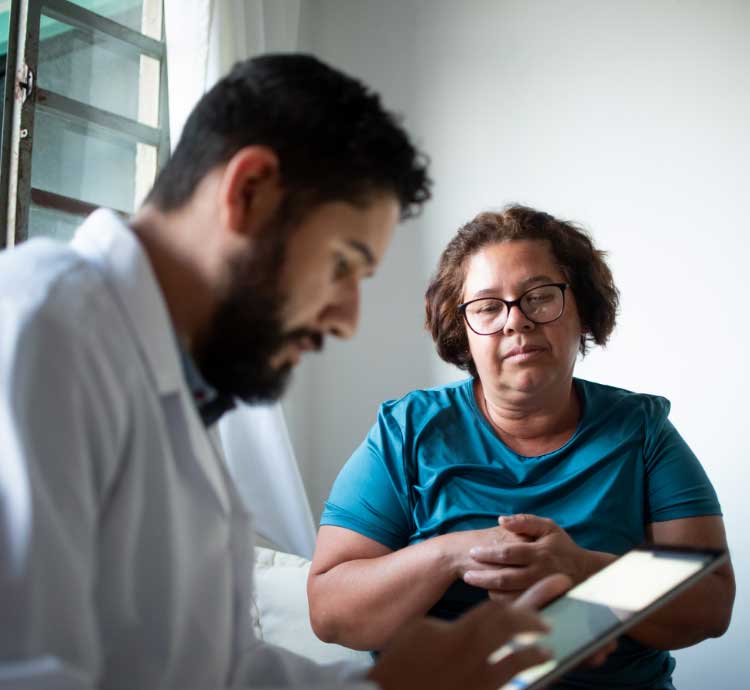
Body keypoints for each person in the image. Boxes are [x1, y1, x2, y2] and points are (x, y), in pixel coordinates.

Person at [0, 56, 566, 690]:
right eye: (342, 265)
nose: (347, 319)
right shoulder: (37, 331)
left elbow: (218, 674)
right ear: (249, 192)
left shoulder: (177, 394)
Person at [309, 205, 736, 690]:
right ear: (462, 332)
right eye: (488, 306)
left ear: (582, 312)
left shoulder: (641, 432)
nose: (516, 321)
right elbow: (329, 612)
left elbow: (712, 604)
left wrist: (580, 567)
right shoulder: (406, 431)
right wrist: (452, 554)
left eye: (538, 297)